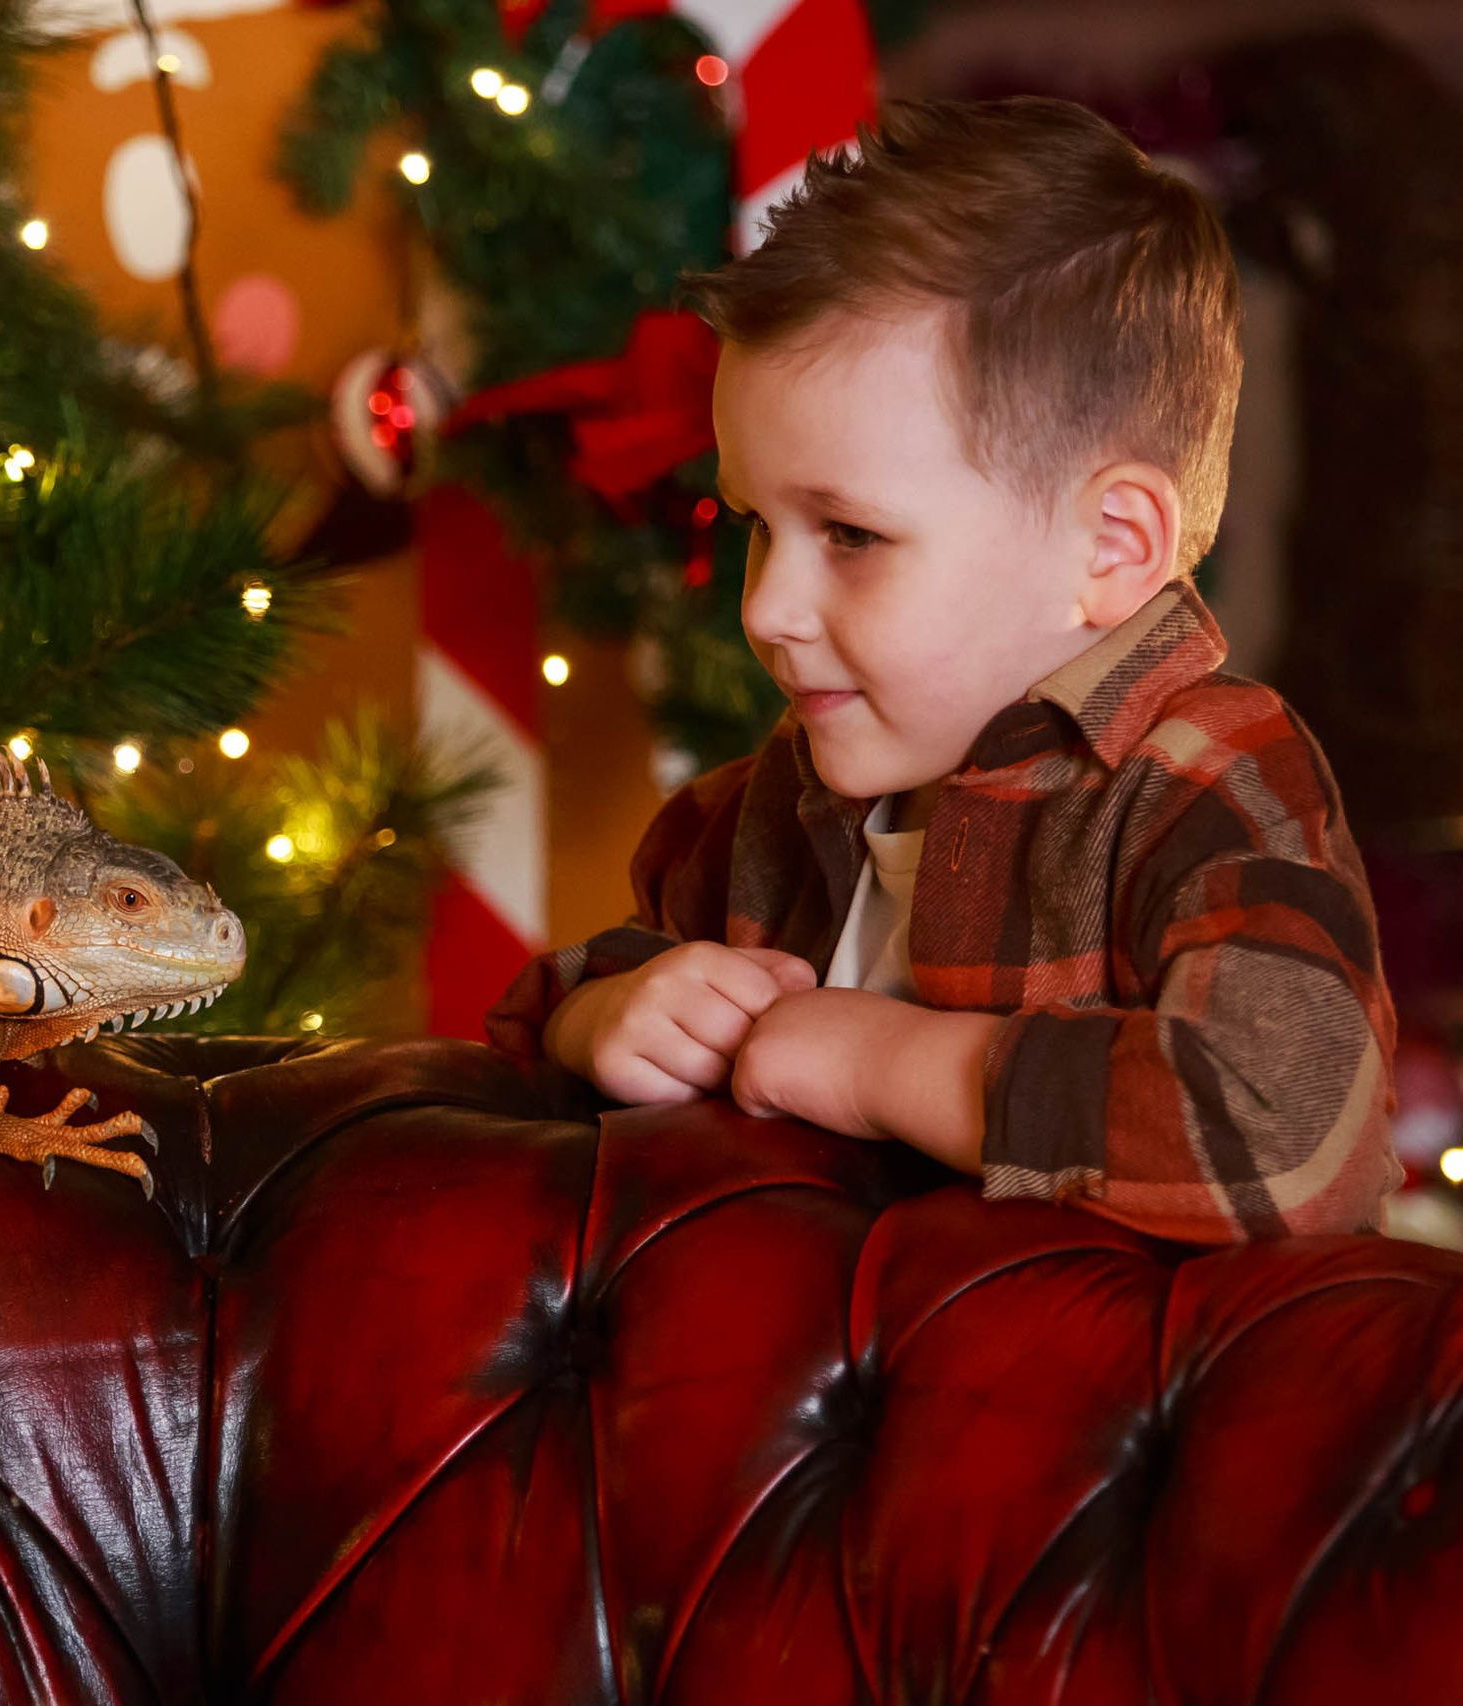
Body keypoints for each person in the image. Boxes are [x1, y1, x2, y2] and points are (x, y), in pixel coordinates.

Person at [486, 96, 1402, 1243]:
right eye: (756, 524)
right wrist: (607, 1018)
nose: (764, 608)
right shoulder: (770, 809)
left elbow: (1291, 1131)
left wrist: (889, 1064)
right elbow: (543, 1012)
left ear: (1110, 547)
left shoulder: (1197, 783)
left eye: (851, 534)